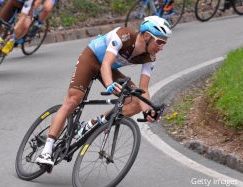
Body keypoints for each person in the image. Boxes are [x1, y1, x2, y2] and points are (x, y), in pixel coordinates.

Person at [35, 16, 172, 166]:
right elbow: (106, 63)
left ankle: (92, 123)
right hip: (91, 59)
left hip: (109, 69)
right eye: (159, 41)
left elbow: (143, 88)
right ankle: (46, 151)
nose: (161, 47)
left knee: (135, 102)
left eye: (164, 43)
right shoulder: (123, 36)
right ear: (146, 36)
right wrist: (109, 85)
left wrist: (147, 110)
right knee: (73, 100)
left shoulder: (150, 57)